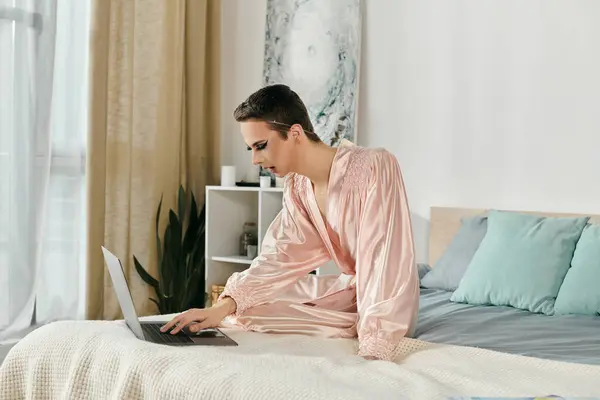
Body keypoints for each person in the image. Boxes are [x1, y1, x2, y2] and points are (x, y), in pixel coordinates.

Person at [161, 84, 419, 361]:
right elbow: (280, 257)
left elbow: (383, 260)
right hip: (353, 294)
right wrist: (220, 309)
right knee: (248, 309)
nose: (255, 159)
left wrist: (374, 349)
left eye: (261, 146)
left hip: (388, 296)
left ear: (295, 133)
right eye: (250, 148)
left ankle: (375, 331)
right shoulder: (298, 187)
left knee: (367, 329)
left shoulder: (374, 165)